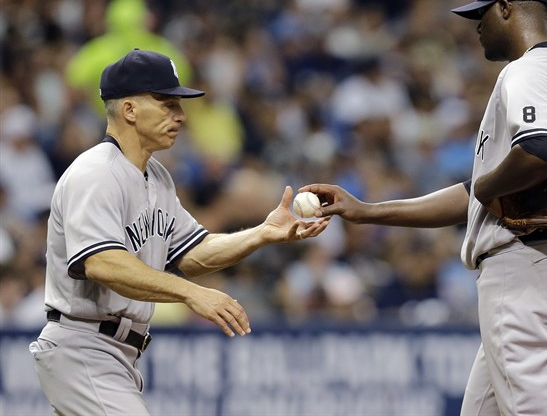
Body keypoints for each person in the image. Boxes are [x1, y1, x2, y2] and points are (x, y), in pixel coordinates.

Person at [303, 0, 547, 416]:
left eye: (482, 14)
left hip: (531, 268)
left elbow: (539, 148)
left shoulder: (527, 71)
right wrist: (367, 210)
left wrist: (487, 187)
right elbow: (477, 193)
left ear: (506, 8)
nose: (477, 28)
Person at [29, 48, 329, 416]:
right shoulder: (96, 173)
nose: (181, 116)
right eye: (168, 104)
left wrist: (262, 233)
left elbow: (194, 253)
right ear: (129, 110)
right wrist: (191, 294)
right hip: (84, 347)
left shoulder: (157, 177)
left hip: (115, 353)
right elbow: (102, 264)